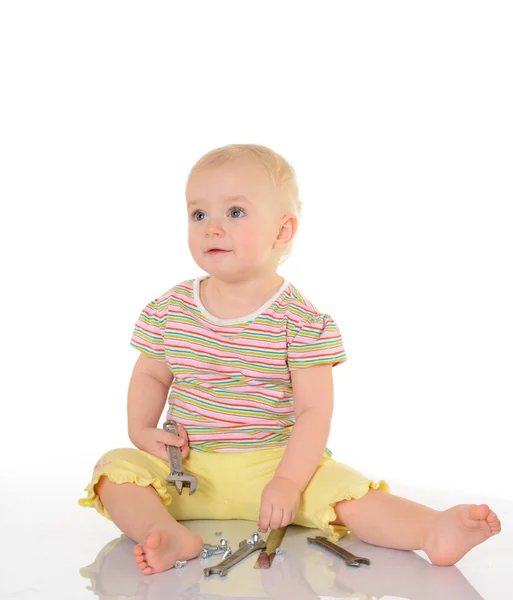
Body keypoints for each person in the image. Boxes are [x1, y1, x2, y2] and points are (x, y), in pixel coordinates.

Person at [78, 144, 501, 576]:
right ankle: (164, 533)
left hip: (276, 465)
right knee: (115, 470)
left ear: (283, 232)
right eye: (198, 214)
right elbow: (151, 374)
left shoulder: (299, 320)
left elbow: (313, 410)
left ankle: (431, 530)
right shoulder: (170, 309)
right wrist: (141, 430)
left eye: (235, 213)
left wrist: (287, 481)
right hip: (187, 467)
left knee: (345, 490)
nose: (212, 228)